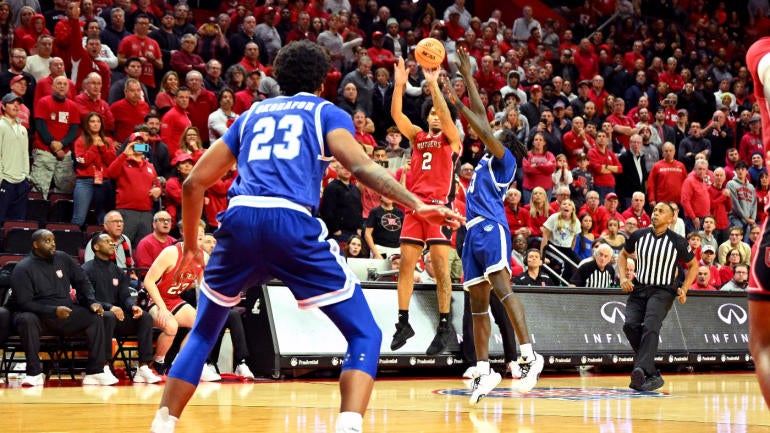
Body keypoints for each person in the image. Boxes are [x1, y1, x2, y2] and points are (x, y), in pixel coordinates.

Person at [149, 40, 462, 433]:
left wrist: (192, 247)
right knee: (364, 333)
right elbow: (362, 166)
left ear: (278, 77)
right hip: (291, 222)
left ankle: (163, 421)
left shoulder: (251, 114)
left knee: (203, 332)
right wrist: (417, 204)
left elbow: (194, 183)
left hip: (240, 220)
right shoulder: (325, 111)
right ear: (321, 83)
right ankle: (348, 425)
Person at [447, 47, 543, 403]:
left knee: (504, 291)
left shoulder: (504, 160)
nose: (495, 130)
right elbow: (484, 123)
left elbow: (482, 125)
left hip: (491, 227)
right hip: (472, 232)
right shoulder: (488, 155)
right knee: (477, 305)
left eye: (499, 130)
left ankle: (529, 355)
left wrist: (454, 96)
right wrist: (468, 77)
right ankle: (484, 370)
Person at [388, 55, 462, 356]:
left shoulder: (451, 139)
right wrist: (399, 86)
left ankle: (445, 326)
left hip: (439, 208)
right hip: (415, 208)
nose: (434, 117)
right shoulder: (418, 137)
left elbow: (447, 119)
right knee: (406, 264)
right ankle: (403, 322)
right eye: (430, 113)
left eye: (437, 113)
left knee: (441, 269)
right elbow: (397, 116)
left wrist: (434, 87)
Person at [8, 229, 118, 387]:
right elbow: (24, 303)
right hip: (40, 316)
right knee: (26, 318)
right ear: (35, 245)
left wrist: (91, 302)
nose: (53, 243)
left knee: (96, 316)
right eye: (47, 241)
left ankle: (95, 371)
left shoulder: (63, 258)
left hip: (65, 313)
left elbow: (82, 281)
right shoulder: (23, 268)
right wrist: (53, 310)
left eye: (53, 240)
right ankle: (34, 373)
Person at [617, 202, 698, 392]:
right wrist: (622, 278)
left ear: (671, 218)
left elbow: (693, 265)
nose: (655, 213)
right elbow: (623, 255)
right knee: (629, 326)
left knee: (651, 326)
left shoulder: (677, 241)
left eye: (661, 212)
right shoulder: (639, 235)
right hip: (639, 289)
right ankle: (650, 372)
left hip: (663, 291)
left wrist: (685, 288)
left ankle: (640, 369)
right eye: (654, 210)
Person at [82, 233, 162, 384]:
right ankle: (104, 366)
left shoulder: (118, 270)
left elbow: (125, 295)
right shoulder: (86, 269)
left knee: (145, 317)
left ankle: (144, 367)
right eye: (107, 242)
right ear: (96, 247)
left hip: (118, 317)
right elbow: (87, 298)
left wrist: (133, 307)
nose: (112, 244)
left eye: (113, 242)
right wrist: (110, 307)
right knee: (108, 316)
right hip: (98, 317)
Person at [143, 219, 207, 376]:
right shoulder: (171, 252)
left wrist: (201, 306)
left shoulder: (204, 256)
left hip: (174, 299)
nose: (199, 235)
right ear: (184, 233)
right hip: (153, 298)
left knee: (200, 324)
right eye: (195, 232)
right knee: (171, 325)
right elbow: (148, 281)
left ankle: (180, 363)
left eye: (202, 233)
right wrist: (162, 308)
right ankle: (157, 363)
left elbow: (202, 286)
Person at [0, 92, 30, 226]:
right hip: (5, 179)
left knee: (18, 221)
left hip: (21, 182)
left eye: (18, 104)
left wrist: (26, 176)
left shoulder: (22, 129)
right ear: (4, 106)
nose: (16, 106)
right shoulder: (1, 125)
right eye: (12, 103)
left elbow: (25, 153)